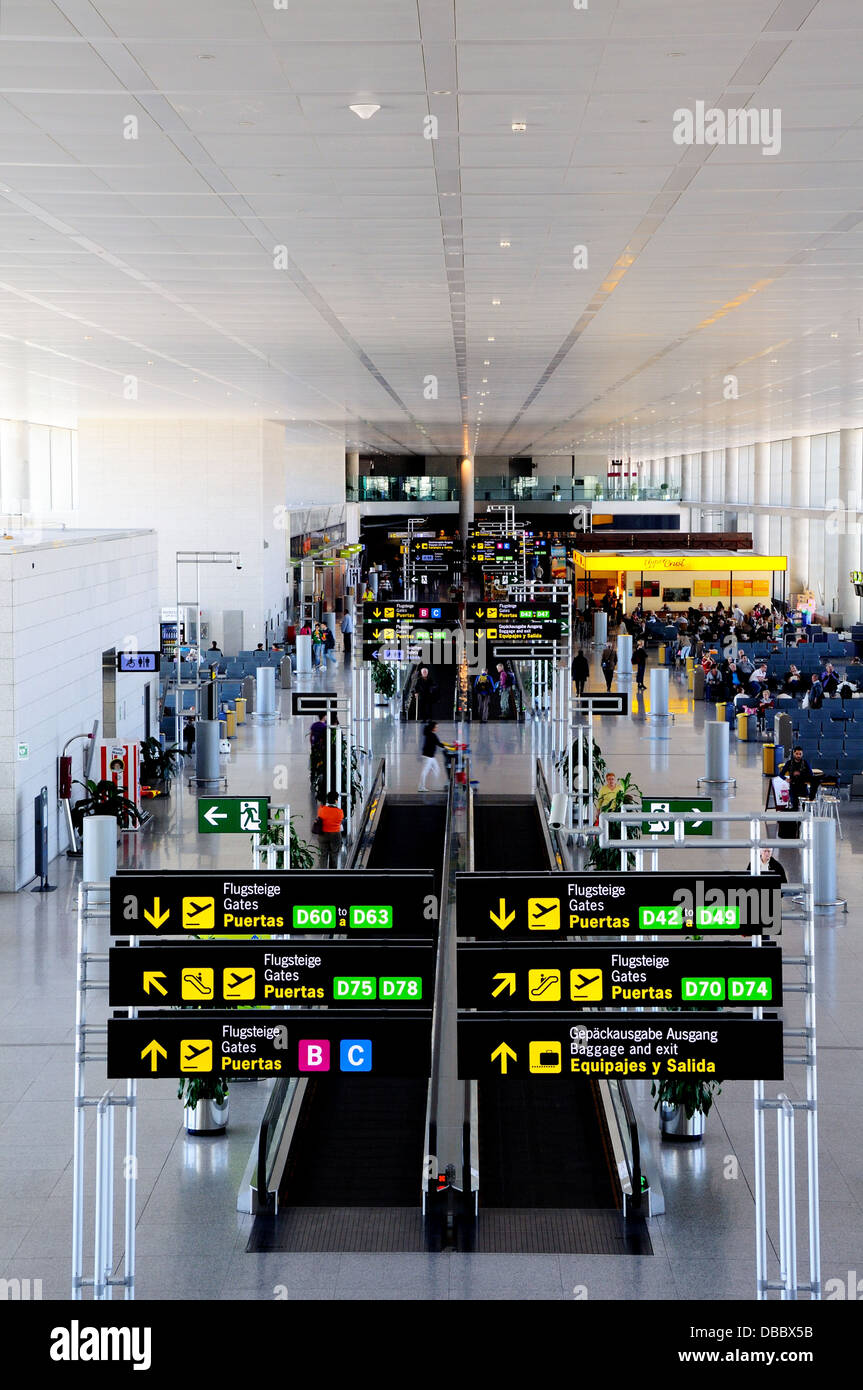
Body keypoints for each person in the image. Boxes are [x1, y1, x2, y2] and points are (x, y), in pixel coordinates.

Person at [316, 791, 344, 869]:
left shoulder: (321, 810)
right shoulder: (340, 812)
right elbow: (340, 821)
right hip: (335, 835)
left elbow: (320, 818)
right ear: (336, 800)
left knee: (323, 855)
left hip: (323, 835)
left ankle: (323, 872)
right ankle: (332, 872)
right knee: (334, 854)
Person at [419, 720, 443, 790]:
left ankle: (435, 784)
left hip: (430, 756)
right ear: (432, 727)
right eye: (436, 727)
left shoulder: (429, 734)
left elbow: (438, 743)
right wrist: (449, 747)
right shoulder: (432, 735)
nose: (436, 728)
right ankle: (421, 787)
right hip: (428, 756)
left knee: (437, 769)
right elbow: (439, 743)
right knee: (424, 772)